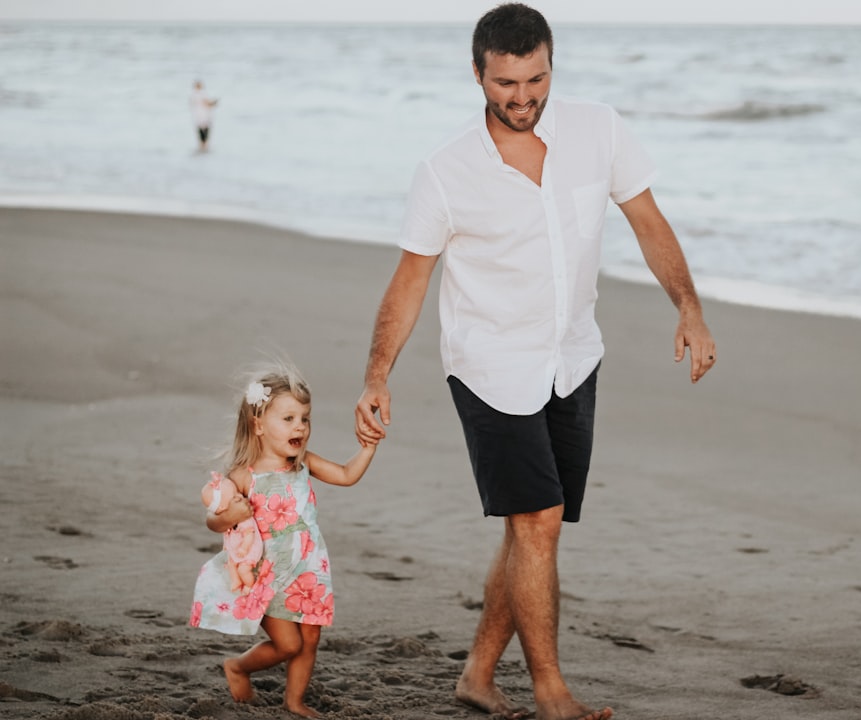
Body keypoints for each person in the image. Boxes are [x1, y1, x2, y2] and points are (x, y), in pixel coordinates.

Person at [354, 4, 716, 719]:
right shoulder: (446, 171)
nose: (522, 98)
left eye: (536, 79)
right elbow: (410, 280)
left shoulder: (598, 129)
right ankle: (551, 692)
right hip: (488, 364)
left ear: (553, 64)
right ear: (477, 74)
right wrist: (376, 375)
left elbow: (647, 220)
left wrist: (690, 307)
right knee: (538, 519)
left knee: (531, 528)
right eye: (505, 83)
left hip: (572, 357)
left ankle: (477, 677)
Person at [192, 361, 378, 718]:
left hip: (309, 569)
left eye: (305, 419)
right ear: (258, 425)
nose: (300, 427)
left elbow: (344, 474)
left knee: (309, 640)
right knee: (288, 643)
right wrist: (231, 515)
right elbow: (213, 519)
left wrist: (367, 449)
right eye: (288, 419)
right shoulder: (243, 476)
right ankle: (238, 667)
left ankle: (294, 701)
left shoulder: (303, 463)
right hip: (268, 575)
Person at [189, 80, 218, 152]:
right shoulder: (201, 94)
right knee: (205, 137)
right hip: (204, 118)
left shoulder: (193, 95)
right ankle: (204, 150)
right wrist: (214, 102)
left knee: (200, 137)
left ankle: (201, 149)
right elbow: (208, 103)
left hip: (198, 118)